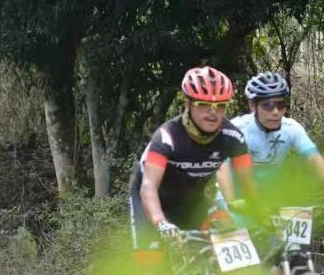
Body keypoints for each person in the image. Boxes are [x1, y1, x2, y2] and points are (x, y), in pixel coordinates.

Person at [130, 66, 258, 259]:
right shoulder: (167, 137)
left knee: (231, 239)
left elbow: (250, 186)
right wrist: (160, 222)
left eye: (220, 105)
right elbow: (148, 188)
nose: (213, 112)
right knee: (150, 267)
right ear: (188, 103)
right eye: (203, 104)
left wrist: (264, 211)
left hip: (193, 202)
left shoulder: (233, 137)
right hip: (151, 203)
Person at [216, 72, 324, 207]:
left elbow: (315, 160)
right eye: (267, 105)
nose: (275, 112)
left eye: (280, 105)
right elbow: (222, 168)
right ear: (252, 106)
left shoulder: (291, 128)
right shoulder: (237, 128)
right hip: (234, 201)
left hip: (269, 202)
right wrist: (232, 203)